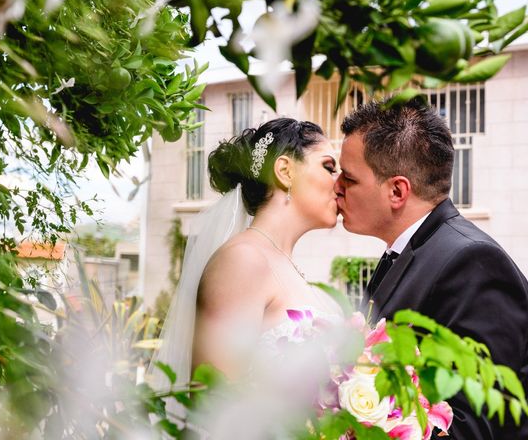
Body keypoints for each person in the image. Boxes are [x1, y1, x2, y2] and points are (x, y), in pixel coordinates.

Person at [334, 97, 528, 439]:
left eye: (348, 179)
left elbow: (477, 426)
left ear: (397, 190)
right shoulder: (404, 251)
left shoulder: (473, 262)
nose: (336, 187)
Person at [149, 118, 342, 394]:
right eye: (328, 167)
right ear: (285, 170)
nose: (340, 183)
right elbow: (210, 404)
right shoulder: (242, 261)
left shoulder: (286, 266)